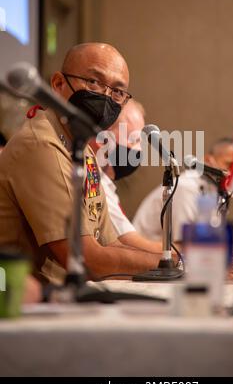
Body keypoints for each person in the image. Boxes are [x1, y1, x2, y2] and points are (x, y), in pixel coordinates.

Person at [0, 43, 163, 284]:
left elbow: (111, 243)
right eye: (94, 82)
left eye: (118, 91)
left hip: (64, 299)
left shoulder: (82, 150)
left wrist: (173, 261)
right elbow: (88, 259)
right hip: (22, 302)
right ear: (58, 84)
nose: (106, 97)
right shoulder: (41, 144)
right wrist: (172, 263)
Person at [90, 99, 164, 254]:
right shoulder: (94, 182)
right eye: (134, 140)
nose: (139, 150)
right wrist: (189, 254)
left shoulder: (104, 182)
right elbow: (132, 245)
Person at [133, 138, 233, 241]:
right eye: (229, 165)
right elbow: (185, 244)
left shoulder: (216, 191)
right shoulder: (187, 187)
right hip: (145, 254)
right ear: (208, 160)